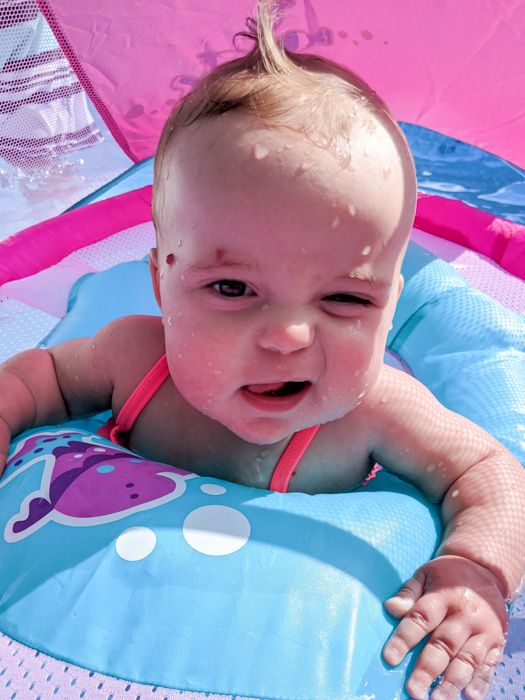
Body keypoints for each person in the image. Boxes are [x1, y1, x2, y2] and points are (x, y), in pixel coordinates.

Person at [0, 4, 524, 699]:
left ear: (390, 308)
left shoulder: (373, 412)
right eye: (231, 287)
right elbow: (38, 378)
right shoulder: (133, 357)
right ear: (162, 283)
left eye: (346, 300)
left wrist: (476, 568)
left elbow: (490, 471)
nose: (288, 336)